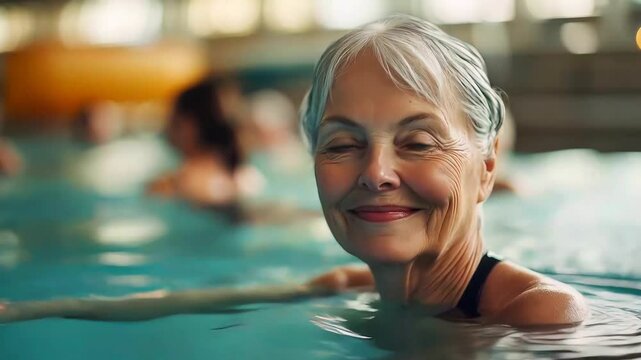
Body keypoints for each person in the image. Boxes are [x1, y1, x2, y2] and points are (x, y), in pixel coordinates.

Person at [0, 15, 587, 327]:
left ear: (486, 170)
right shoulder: (358, 287)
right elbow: (193, 302)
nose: (375, 172)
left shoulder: (540, 316)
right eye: (340, 144)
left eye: (417, 141)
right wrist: (27, 314)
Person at [147, 77, 260, 208]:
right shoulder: (247, 175)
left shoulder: (177, 185)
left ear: (189, 126)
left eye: (172, 118)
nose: (167, 127)